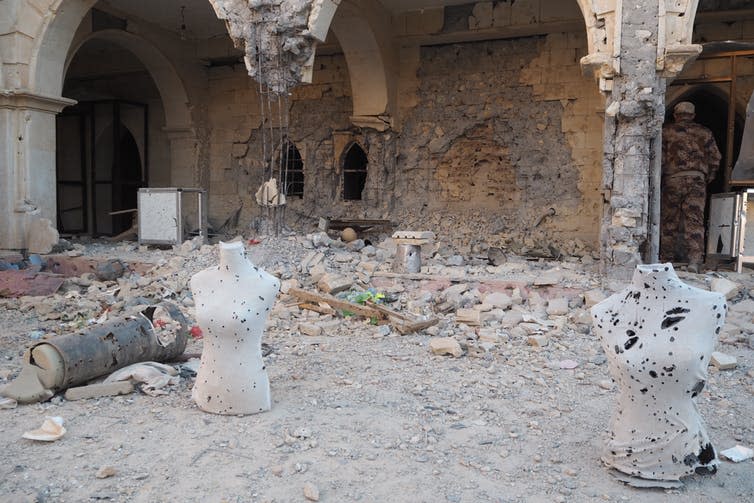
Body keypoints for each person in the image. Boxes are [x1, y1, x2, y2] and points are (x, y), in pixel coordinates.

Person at [661, 101, 721, 272]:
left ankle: (667, 260)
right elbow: (715, 158)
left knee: (669, 221)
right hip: (697, 181)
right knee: (694, 221)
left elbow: (659, 158)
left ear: (675, 115)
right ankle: (694, 261)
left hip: (673, 180)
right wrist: (708, 176)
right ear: (693, 116)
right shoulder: (705, 132)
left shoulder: (666, 132)